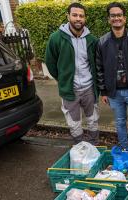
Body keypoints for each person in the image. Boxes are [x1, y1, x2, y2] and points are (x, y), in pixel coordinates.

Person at [96, 2, 128, 151]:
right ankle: (124, 150)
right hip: (114, 92)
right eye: (113, 15)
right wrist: (103, 91)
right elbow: (99, 68)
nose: (116, 18)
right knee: (119, 122)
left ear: (124, 18)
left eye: (119, 15)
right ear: (109, 19)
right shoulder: (102, 42)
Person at [45, 2, 99, 145]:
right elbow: (50, 63)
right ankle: (80, 147)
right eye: (74, 15)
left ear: (85, 18)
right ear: (68, 16)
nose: (78, 18)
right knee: (74, 123)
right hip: (70, 90)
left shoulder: (92, 40)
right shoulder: (56, 38)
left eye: (81, 16)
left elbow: (96, 64)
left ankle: (94, 145)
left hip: (89, 88)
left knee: (93, 119)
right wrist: (63, 79)